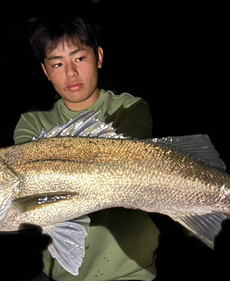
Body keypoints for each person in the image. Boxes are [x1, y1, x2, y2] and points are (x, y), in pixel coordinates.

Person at [13, 14, 160, 281]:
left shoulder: (129, 108)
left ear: (99, 56)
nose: (70, 73)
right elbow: (32, 191)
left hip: (127, 269)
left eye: (80, 58)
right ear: (46, 71)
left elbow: (135, 169)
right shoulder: (32, 123)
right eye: (57, 63)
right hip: (57, 272)